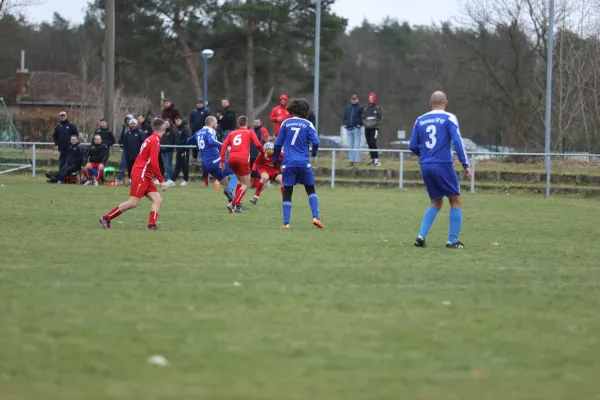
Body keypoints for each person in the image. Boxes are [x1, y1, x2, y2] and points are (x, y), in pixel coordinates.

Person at [409, 91, 472, 249]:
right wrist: (465, 164)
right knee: (455, 200)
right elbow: (457, 141)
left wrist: (425, 155)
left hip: (426, 165)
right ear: (446, 103)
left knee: (436, 202)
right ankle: (452, 241)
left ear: (430, 104)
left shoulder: (420, 119)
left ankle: (421, 236)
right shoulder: (449, 118)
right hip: (443, 164)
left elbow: (412, 145)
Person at [99, 118, 169, 231]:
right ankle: (106, 218)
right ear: (164, 128)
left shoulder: (151, 138)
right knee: (133, 202)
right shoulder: (155, 140)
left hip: (145, 174)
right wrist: (161, 180)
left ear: (153, 128)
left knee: (157, 199)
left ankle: (151, 225)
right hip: (141, 173)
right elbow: (154, 161)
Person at [274, 98, 324, 229]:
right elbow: (316, 142)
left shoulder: (285, 123)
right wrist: (314, 152)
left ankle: (286, 223)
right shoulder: (308, 124)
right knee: (310, 189)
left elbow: (277, 144)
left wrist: (275, 159)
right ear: (305, 111)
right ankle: (316, 217)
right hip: (304, 163)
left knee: (288, 192)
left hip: (288, 163)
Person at [220, 116, 264, 213]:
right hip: (242, 158)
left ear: (238, 124)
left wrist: (222, 161)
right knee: (246, 184)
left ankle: (237, 205)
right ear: (247, 124)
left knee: (240, 181)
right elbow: (258, 144)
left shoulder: (232, 133)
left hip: (231, 158)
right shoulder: (250, 132)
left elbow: (224, 146)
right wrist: (263, 153)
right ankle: (233, 203)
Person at [186, 116, 234, 202]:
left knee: (224, 180)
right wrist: (226, 146)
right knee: (239, 169)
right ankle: (236, 199)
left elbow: (188, 141)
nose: (217, 124)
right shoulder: (210, 130)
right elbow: (212, 141)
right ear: (211, 123)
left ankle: (232, 199)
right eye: (216, 122)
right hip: (216, 161)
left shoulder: (199, 132)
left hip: (207, 165)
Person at [250, 139, 284, 205]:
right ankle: (255, 197)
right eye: (266, 149)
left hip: (275, 171)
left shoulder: (281, 154)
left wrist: (283, 167)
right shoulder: (262, 153)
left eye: (270, 149)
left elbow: (286, 161)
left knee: (282, 180)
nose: (268, 151)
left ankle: (285, 200)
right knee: (265, 177)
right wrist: (254, 170)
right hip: (264, 169)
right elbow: (256, 163)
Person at [342, 94, 364, 166]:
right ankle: (351, 161)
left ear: (357, 100)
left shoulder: (360, 107)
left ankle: (357, 161)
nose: (353, 100)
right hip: (348, 128)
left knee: (357, 145)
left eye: (354, 99)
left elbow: (362, 117)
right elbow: (345, 117)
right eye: (352, 99)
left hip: (356, 129)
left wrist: (359, 125)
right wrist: (345, 124)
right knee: (350, 145)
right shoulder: (348, 108)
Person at [363, 92, 382, 166]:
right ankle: (372, 159)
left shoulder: (377, 107)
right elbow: (363, 117)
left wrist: (373, 123)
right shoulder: (366, 108)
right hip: (367, 128)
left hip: (374, 128)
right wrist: (366, 124)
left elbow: (379, 118)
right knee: (369, 144)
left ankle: (376, 159)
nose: (370, 99)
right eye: (369, 98)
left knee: (373, 143)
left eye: (372, 98)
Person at [172, 116, 191, 186]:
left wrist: (180, 144)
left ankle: (185, 180)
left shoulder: (185, 129)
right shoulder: (176, 129)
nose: (176, 122)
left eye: (178, 120)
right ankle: (173, 179)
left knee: (185, 165)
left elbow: (186, 139)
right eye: (175, 121)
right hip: (179, 150)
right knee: (178, 165)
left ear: (181, 120)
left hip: (185, 150)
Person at [251, 118, 269, 187]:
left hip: (258, 151)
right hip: (252, 151)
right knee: (252, 166)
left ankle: (258, 183)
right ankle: (253, 183)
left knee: (258, 166)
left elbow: (264, 140)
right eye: (254, 122)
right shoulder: (252, 130)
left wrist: (261, 151)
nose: (255, 124)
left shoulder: (263, 130)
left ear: (260, 123)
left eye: (257, 122)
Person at [117, 114, 134, 184]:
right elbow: (122, 137)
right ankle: (119, 178)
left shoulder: (136, 129)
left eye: (129, 119)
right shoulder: (124, 128)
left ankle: (133, 179)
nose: (128, 121)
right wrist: (121, 143)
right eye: (127, 119)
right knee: (122, 163)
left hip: (134, 150)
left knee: (133, 165)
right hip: (125, 149)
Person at [160, 119, 177, 187]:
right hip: (163, 151)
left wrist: (164, 148)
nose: (166, 124)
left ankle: (171, 179)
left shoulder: (172, 131)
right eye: (165, 123)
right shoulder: (163, 131)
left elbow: (170, 142)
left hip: (169, 151)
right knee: (165, 165)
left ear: (170, 123)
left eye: (167, 123)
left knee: (168, 165)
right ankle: (170, 179)